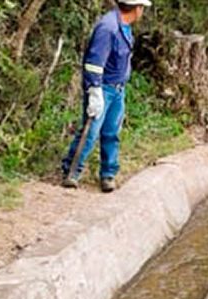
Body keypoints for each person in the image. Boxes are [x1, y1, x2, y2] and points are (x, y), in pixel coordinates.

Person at [61, 0, 151, 193]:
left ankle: (108, 174)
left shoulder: (124, 27)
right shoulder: (108, 28)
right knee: (91, 131)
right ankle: (71, 172)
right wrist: (94, 91)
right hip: (103, 88)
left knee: (111, 132)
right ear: (137, 8)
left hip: (118, 89)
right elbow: (94, 62)